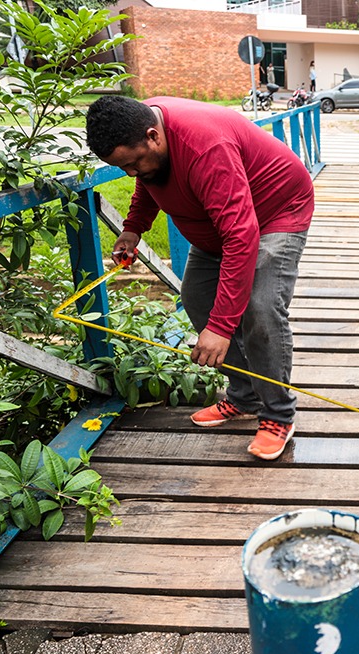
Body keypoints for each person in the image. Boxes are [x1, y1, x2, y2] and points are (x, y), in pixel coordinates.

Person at [85, 95, 314, 461]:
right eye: (122, 167)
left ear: (153, 136)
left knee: (259, 307)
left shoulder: (205, 146)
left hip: (275, 211)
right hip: (215, 222)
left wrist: (222, 327)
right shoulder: (140, 130)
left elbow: (241, 236)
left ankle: (278, 414)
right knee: (196, 297)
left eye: (132, 163)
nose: (130, 173)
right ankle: (245, 395)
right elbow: (148, 180)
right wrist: (134, 229)